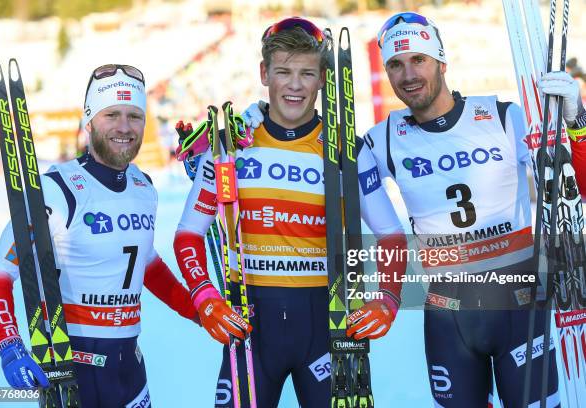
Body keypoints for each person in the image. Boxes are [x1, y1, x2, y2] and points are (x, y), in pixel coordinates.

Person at [173, 17, 407, 407]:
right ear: (264, 73)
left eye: (306, 73)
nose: (295, 85)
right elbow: (188, 234)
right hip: (250, 324)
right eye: (283, 71)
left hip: (328, 323)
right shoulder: (232, 141)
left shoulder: (345, 148)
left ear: (322, 79)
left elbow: (392, 236)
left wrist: (388, 298)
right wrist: (205, 296)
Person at [361, 11, 586, 407]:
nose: (408, 74)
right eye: (395, 64)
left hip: (518, 306)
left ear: (442, 62)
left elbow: (577, 185)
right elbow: (322, 174)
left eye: (419, 59)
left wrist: (578, 121)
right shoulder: (381, 141)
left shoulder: (504, 117)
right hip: (448, 316)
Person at [0, 64, 197, 407]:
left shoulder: (144, 187)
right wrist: (9, 346)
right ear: (89, 121)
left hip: (131, 372)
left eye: (134, 115)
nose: (124, 127)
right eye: (111, 114)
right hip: (71, 372)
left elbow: (147, 264)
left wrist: (198, 310)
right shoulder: (54, 190)